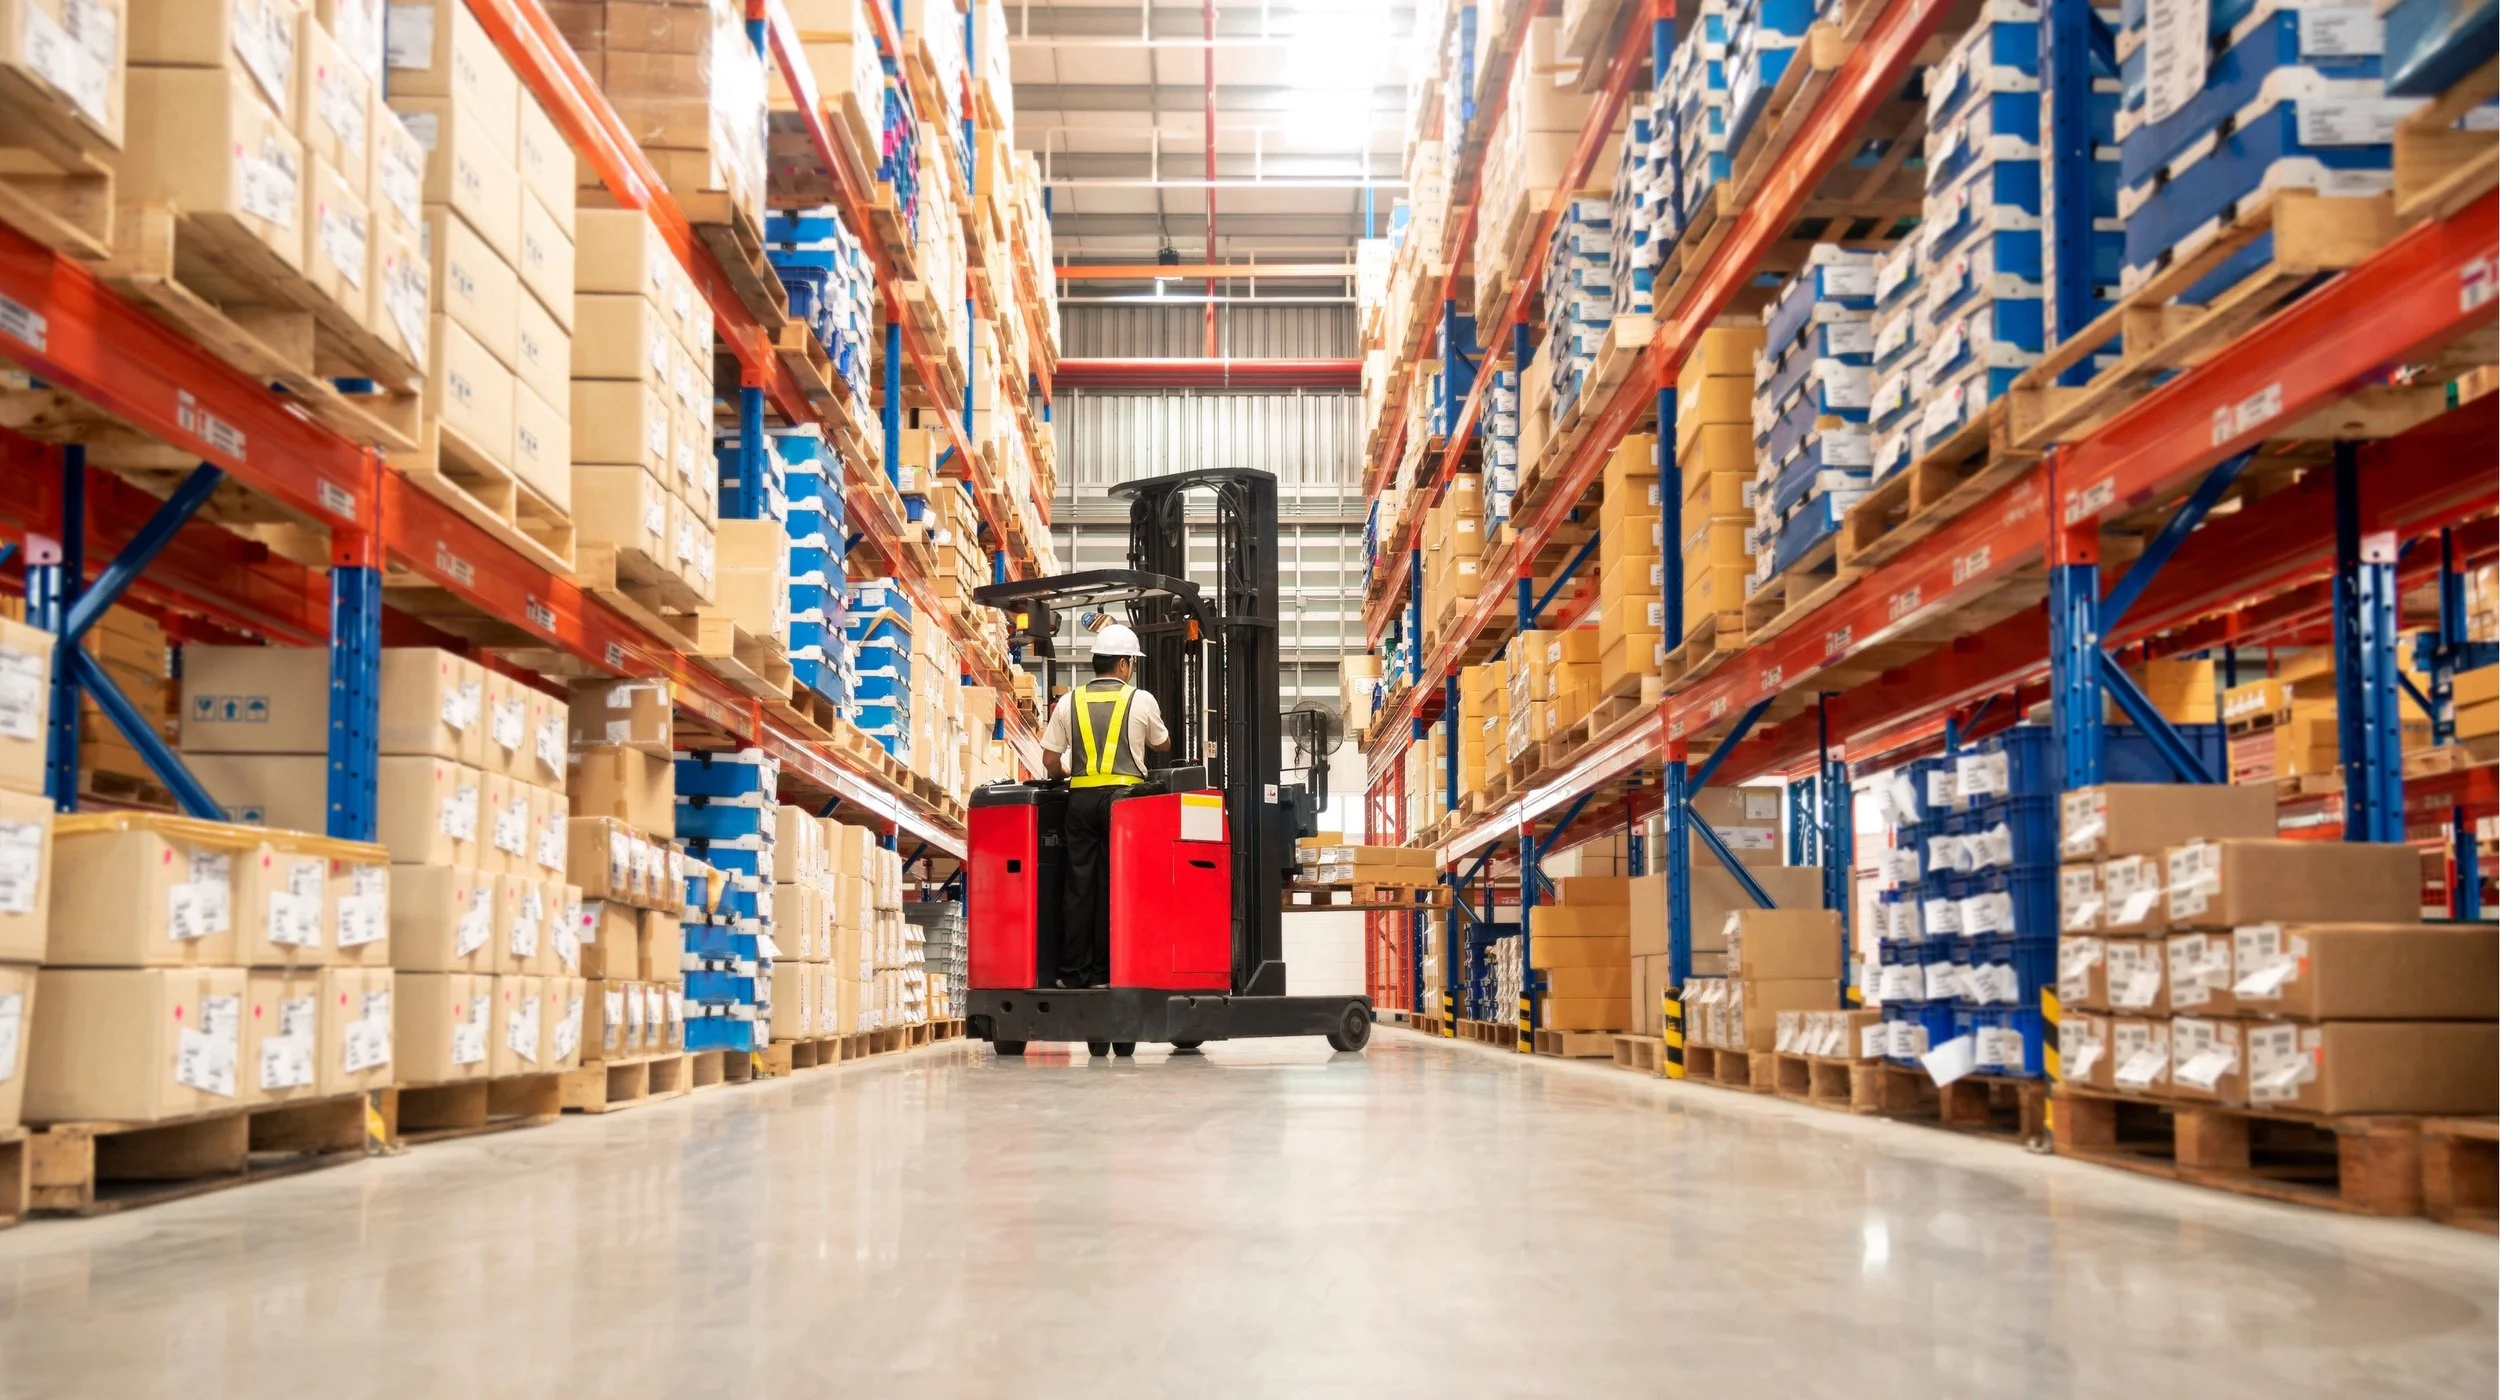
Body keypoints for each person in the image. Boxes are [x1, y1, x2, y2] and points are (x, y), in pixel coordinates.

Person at [1039, 622, 1171, 988]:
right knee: (1119, 885)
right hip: (1125, 806)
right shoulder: (1140, 700)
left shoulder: (1069, 702)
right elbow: (1163, 744)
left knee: (1079, 886)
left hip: (1079, 803)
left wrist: (1062, 773)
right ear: (1125, 664)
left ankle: (1073, 974)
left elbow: (1050, 759)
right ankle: (1111, 971)